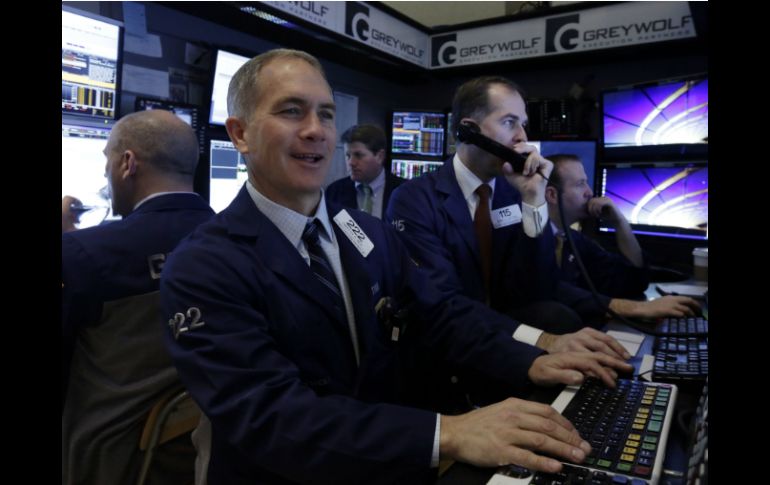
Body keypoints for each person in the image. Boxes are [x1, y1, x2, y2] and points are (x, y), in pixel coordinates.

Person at [159, 48, 632, 485]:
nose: (317, 130)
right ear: (240, 134)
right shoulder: (203, 266)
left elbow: (440, 313)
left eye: (326, 113)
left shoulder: (364, 231)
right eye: (291, 111)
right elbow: (273, 417)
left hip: (387, 462)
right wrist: (446, 433)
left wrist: (535, 359)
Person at [385, 76, 629, 410]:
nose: (522, 137)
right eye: (509, 122)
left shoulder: (512, 193)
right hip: (445, 355)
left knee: (559, 319)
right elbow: (443, 306)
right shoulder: (413, 200)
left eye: (523, 125)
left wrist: (534, 200)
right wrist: (544, 342)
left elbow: (540, 287)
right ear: (469, 131)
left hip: (501, 339)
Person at [62, 109, 215, 485]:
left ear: (127, 163)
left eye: (107, 163)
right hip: (196, 446)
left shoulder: (84, 256)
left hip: (109, 457)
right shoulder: (233, 239)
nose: (105, 175)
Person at [544, 153, 700, 323]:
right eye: (580, 184)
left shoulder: (572, 240)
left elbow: (633, 281)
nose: (589, 192)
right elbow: (551, 291)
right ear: (552, 195)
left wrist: (619, 222)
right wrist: (638, 308)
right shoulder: (529, 239)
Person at [325, 123, 404, 219]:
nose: (351, 162)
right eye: (348, 156)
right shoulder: (334, 192)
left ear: (380, 156)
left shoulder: (404, 191)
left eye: (358, 155)